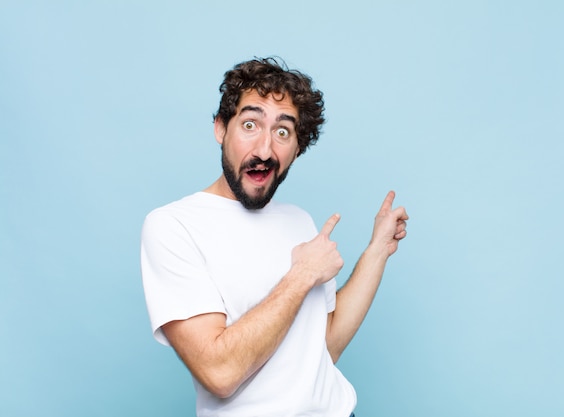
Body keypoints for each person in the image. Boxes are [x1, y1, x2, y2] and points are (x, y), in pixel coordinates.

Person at [141, 57, 409, 417]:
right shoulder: (173, 226)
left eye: (283, 132)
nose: (265, 150)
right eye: (250, 124)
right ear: (221, 128)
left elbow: (322, 349)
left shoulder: (299, 220)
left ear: (298, 148)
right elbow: (219, 374)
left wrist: (378, 250)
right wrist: (301, 275)